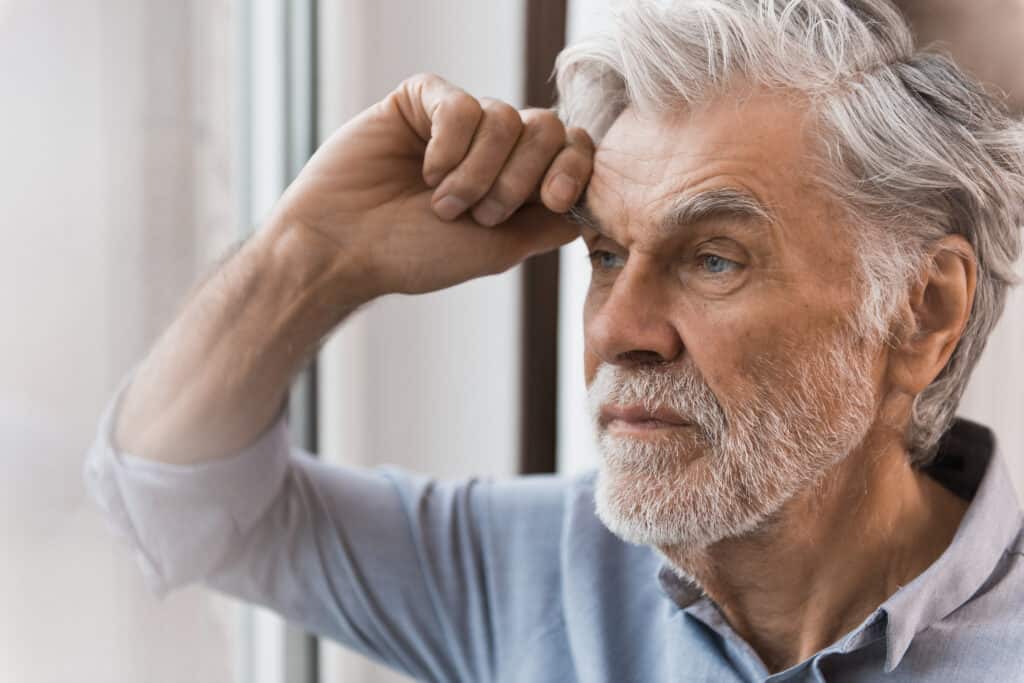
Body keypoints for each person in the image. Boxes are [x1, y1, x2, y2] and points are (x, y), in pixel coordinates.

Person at [84, 0, 1024, 680]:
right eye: (608, 254)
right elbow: (174, 503)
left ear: (921, 311)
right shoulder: (539, 567)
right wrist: (312, 257)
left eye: (715, 259)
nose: (619, 330)